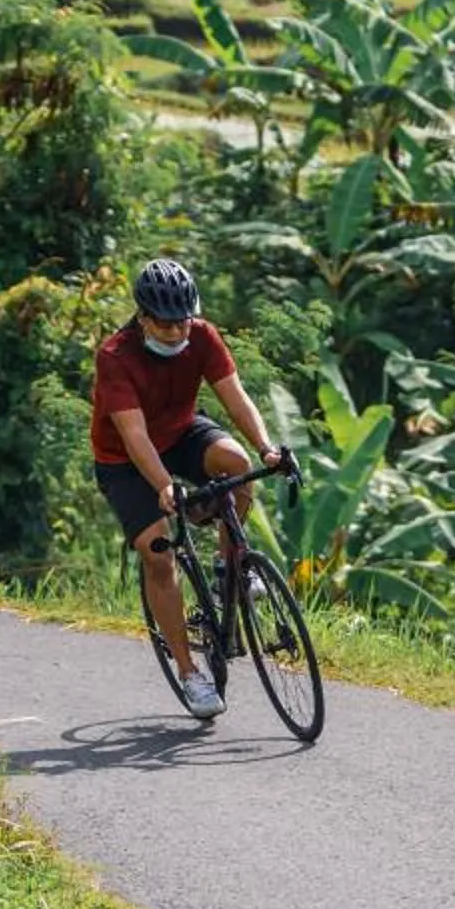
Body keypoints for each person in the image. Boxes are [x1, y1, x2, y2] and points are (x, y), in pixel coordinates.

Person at [90, 258, 282, 721]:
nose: (177, 332)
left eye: (183, 321)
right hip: (125, 461)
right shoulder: (116, 356)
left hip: (180, 434)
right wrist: (163, 486)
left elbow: (236, 398)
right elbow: (134, 437)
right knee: (159, 556)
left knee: (237, 466)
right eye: (165, 323)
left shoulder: (202, 335)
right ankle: (189, 671)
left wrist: (267, 448)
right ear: (142, 317)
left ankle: (226, 570)